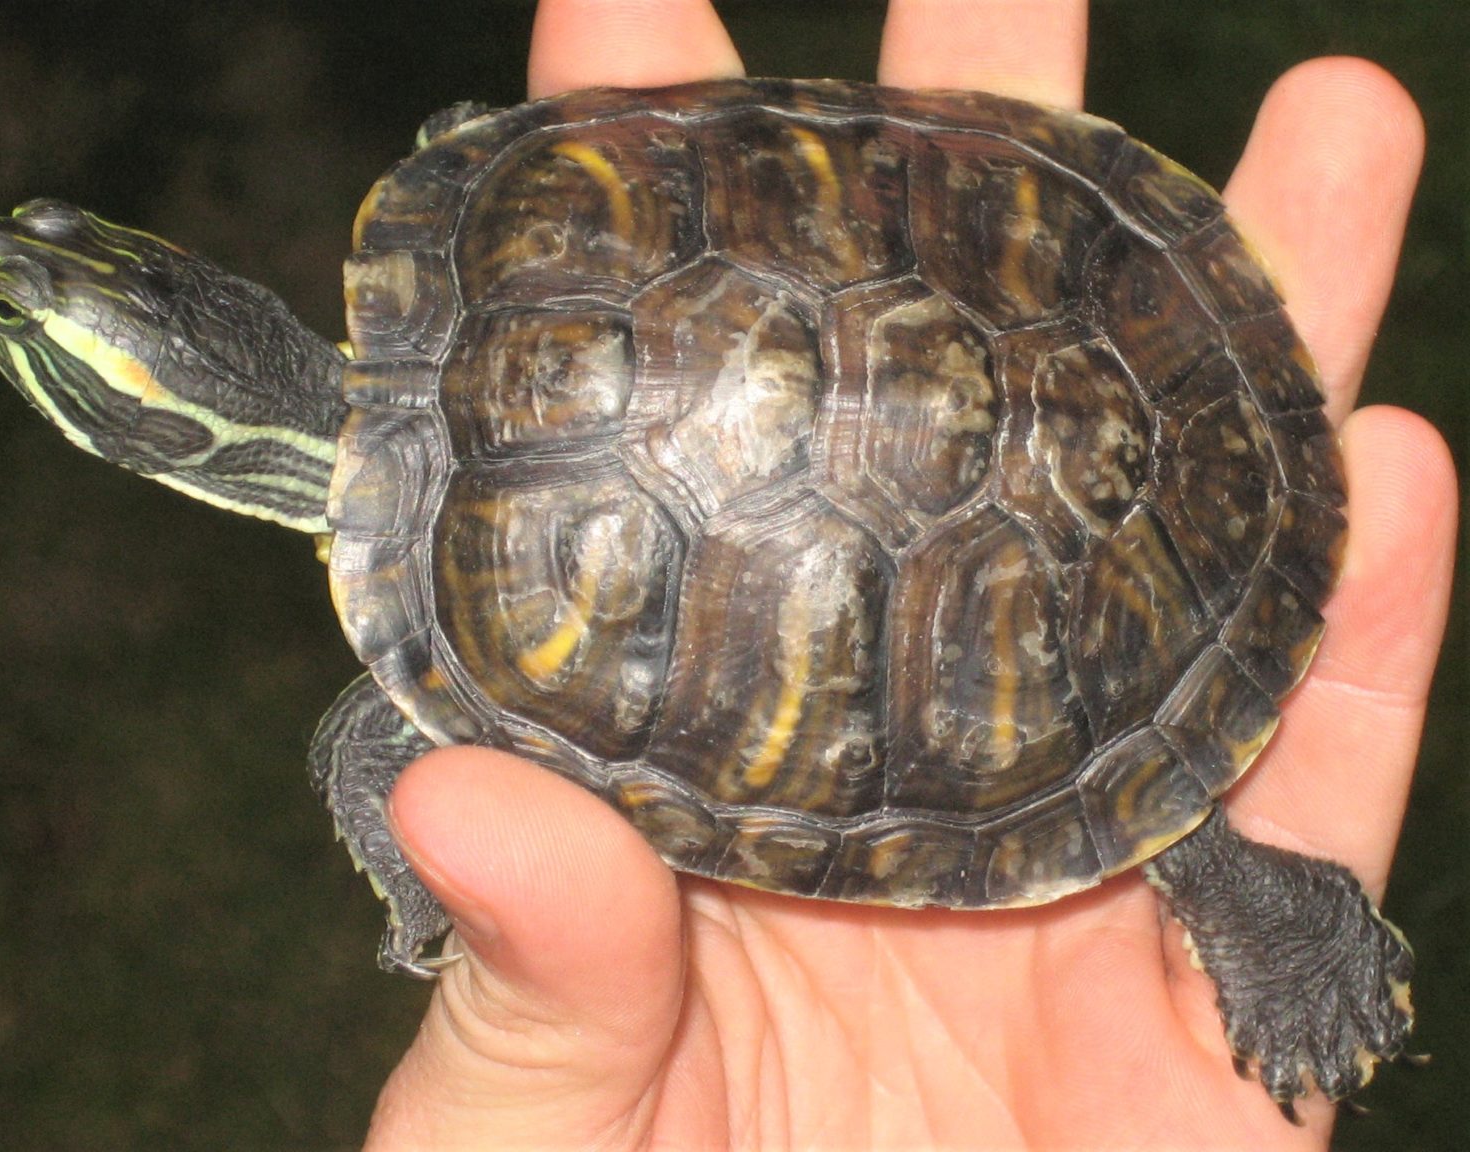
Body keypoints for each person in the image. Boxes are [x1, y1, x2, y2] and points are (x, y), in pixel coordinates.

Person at [364, 1, 1454, 1147]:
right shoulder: (471, 202)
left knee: (382, 760)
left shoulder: (450, 602)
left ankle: (1219, 866)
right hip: (1135, 335)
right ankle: (1218, 862)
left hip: (1116, 450)